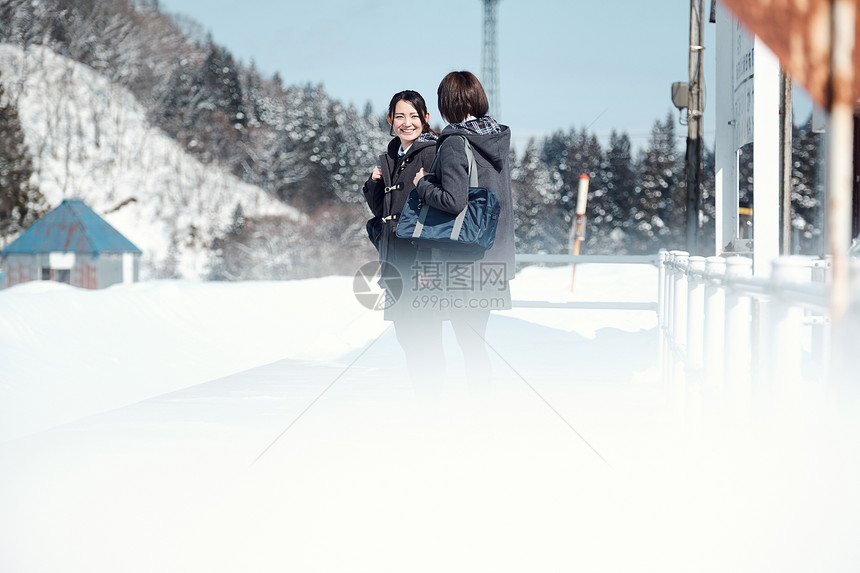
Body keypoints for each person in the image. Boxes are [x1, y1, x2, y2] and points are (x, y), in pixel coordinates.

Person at [412, 71, 515, 390]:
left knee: (465, 345)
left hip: (464, 264)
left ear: (447, 103)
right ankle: (481, 410)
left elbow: (453, 202)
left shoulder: (456, 141)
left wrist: (423, 185)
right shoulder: (495, 140)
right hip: (493, 257)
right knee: (475, 345)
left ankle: (475, 415)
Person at [362, 90, 444, 391]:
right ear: (389, 120)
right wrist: (373, 184)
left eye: (413, 115)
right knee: (406, 336)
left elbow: (439, 213)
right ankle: (422, 399)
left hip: (421, 262)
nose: (406, 123)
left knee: (426, 336)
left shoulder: (432, 153)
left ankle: (433, 400)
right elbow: (385, 212)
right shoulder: (391, 156)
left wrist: (428, 264)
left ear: (425, 118)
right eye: (400, 116)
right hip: (394, 261)